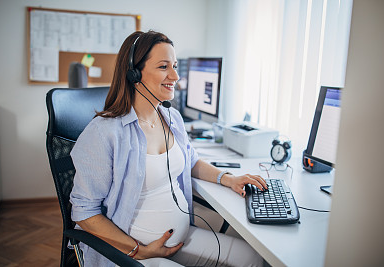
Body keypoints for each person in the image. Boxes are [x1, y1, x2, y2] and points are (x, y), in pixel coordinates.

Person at [70, 30, 266, 267]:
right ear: (134, 73)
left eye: (174, 66)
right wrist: (137, 250)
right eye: (164, 67)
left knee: (254, 258)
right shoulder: (104, 133)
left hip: (181, 239)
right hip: (131, 254)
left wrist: (228, 178)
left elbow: (191, 161)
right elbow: (84, 212)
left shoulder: (171, 117)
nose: (175, 76)